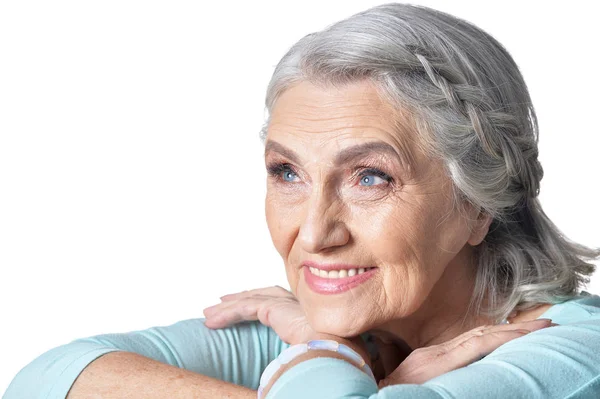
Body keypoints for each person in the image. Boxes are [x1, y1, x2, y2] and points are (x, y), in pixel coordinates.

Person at [4, 3, 600, 398]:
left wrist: (319, 355)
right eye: (288, 172)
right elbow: (42, 381)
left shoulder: (575, 356)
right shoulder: (323, 323)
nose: (314, 234)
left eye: (370, 177)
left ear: (479, 200)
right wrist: (342, 357)